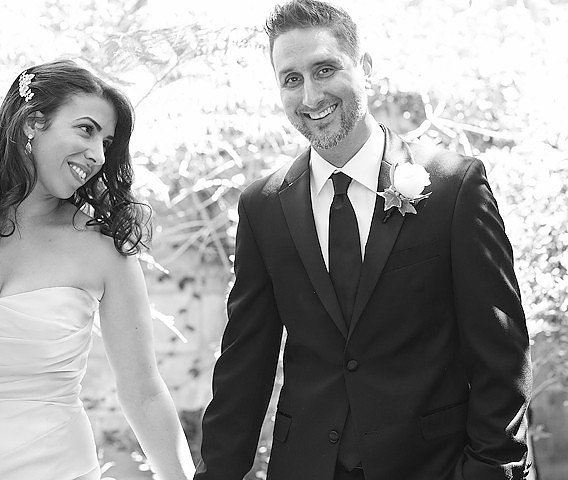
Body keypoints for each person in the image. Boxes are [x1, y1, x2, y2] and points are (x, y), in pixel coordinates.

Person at [195, 1, 532, 479]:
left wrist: (489, 469)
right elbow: (244, 364)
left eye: (324, 69)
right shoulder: (262, 207)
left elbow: (501, 351)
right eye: (291, 79)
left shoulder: (454, 187)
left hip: (430, 467)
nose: (310, 95)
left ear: (365, 68)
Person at [0, 60, 195, 480]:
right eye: (86, 130)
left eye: (106, 142)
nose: (98, 155)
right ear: (33, 122)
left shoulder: (103, 249)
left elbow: (143, 391)